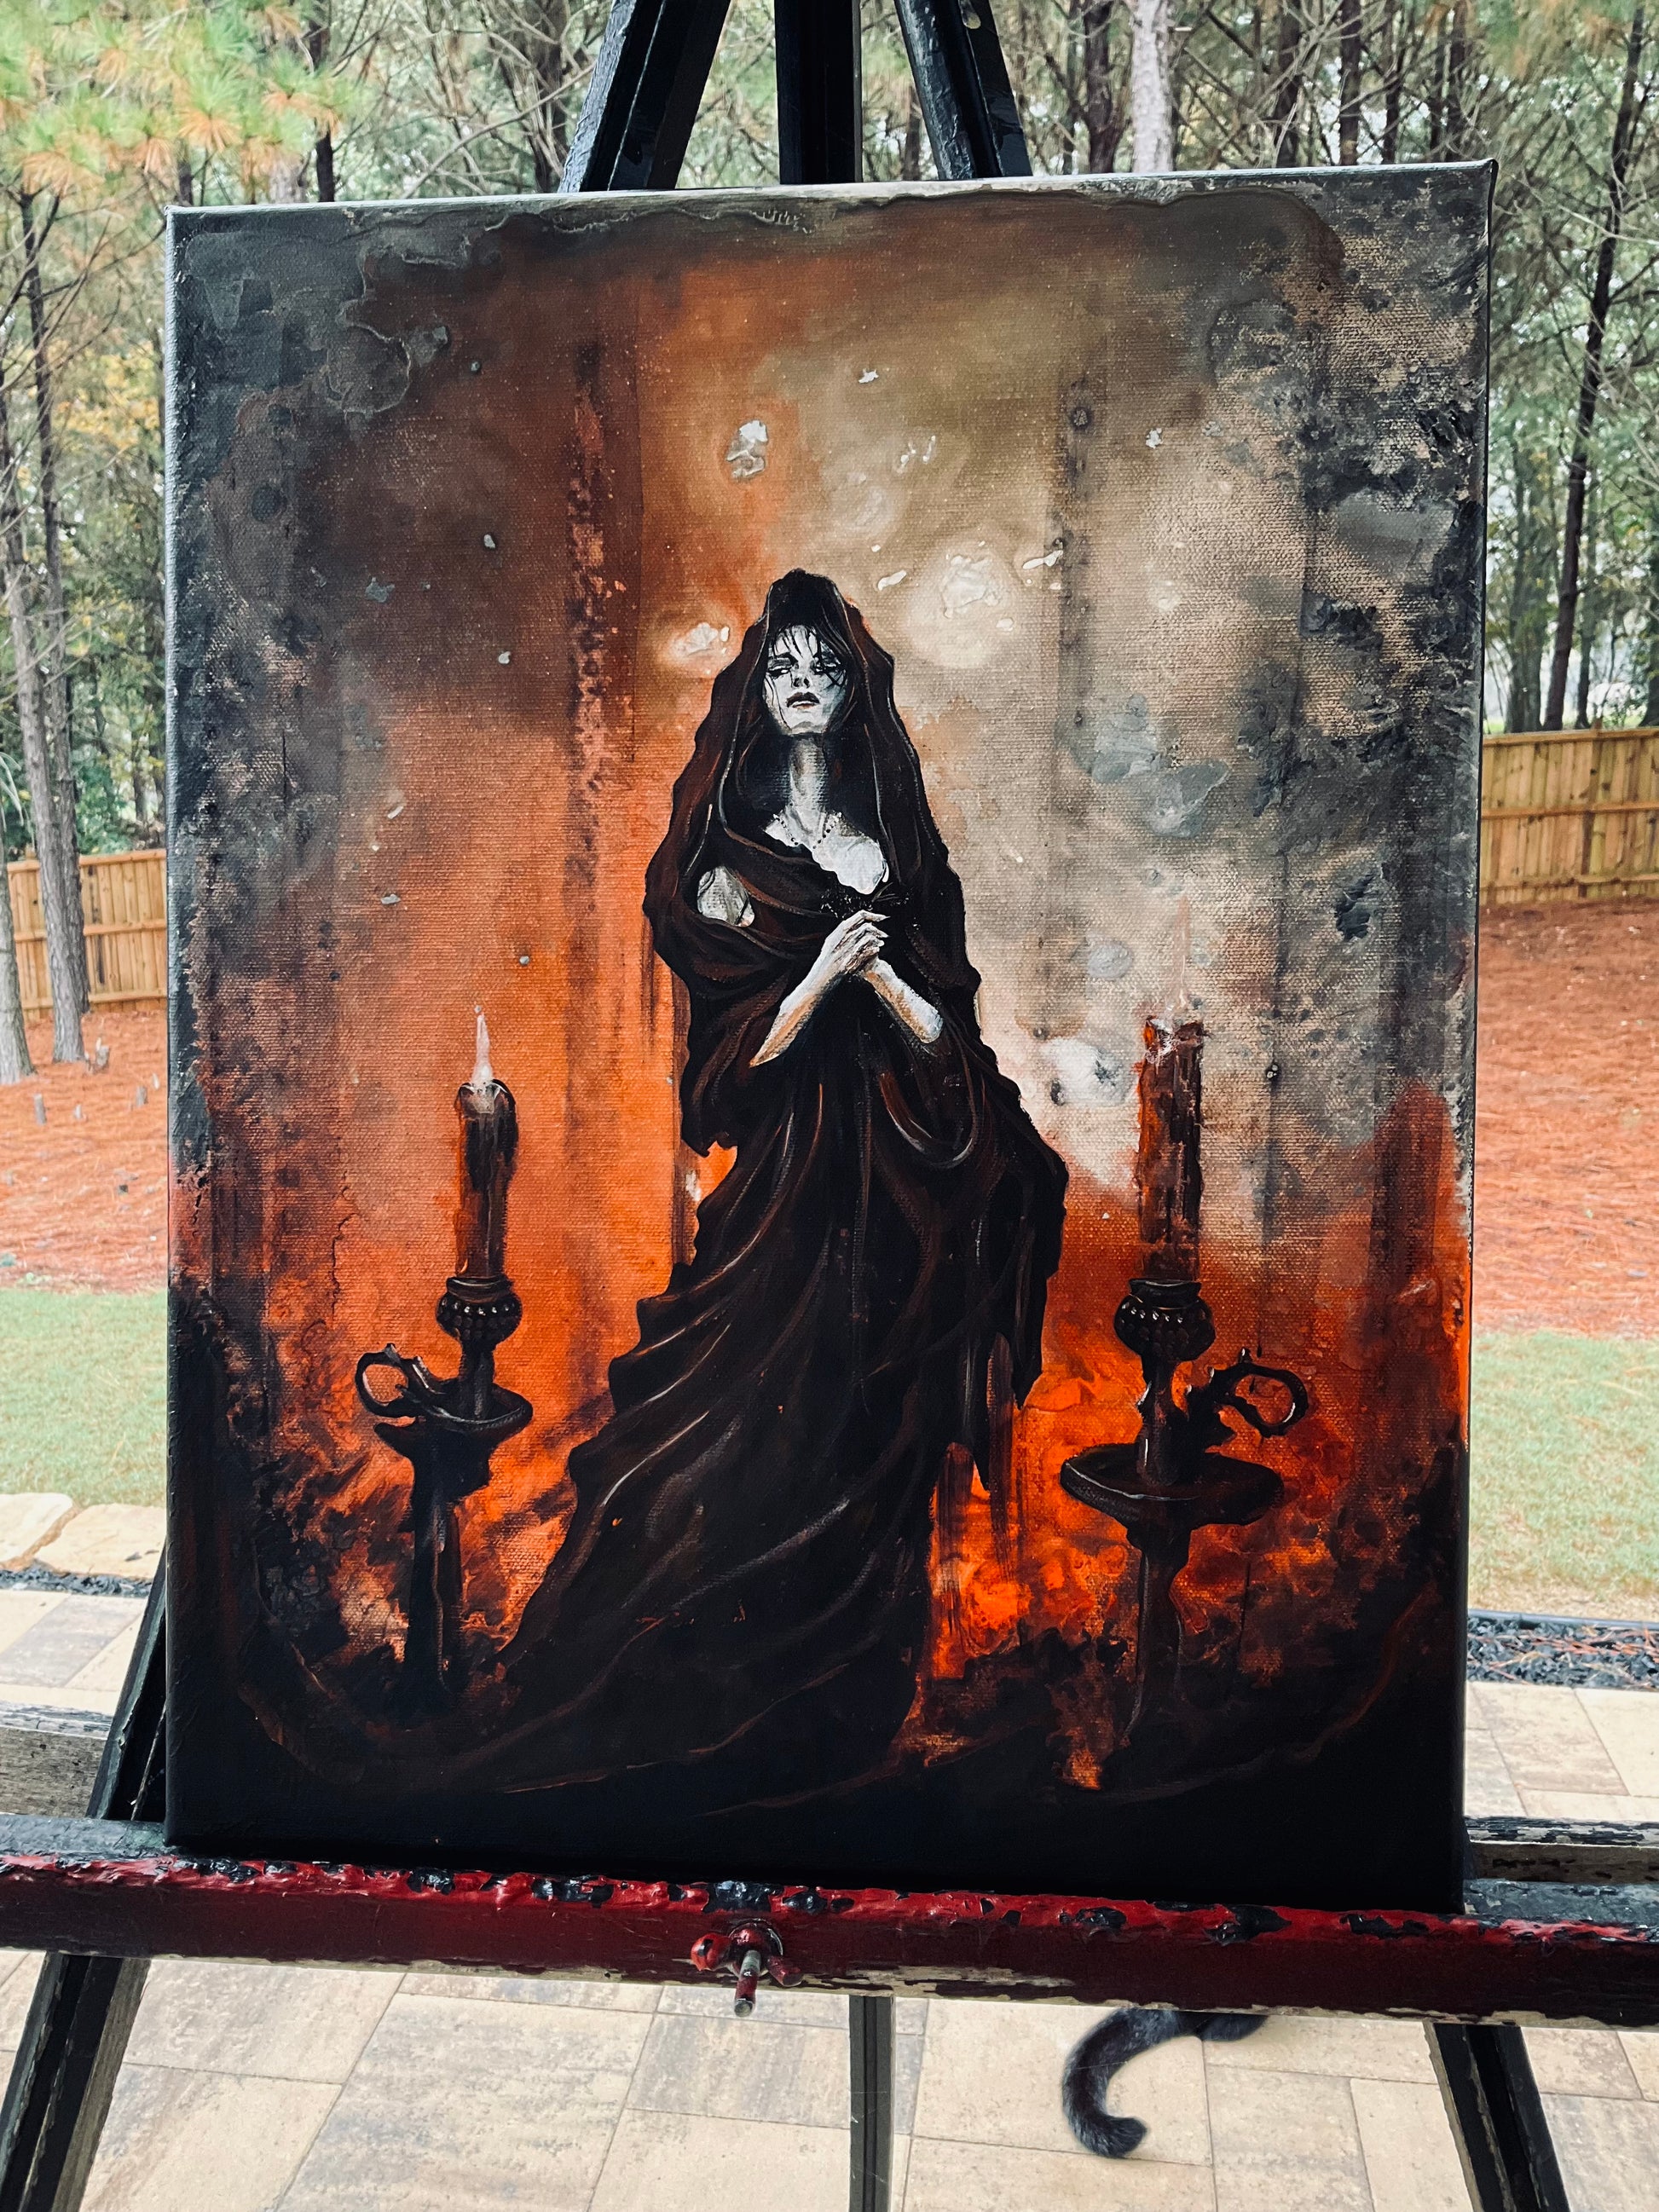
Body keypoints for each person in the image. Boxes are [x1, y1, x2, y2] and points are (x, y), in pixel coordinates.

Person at [481, 569, 1067, 1801]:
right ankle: (678, 1694)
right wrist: (814, 983)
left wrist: (880, 978)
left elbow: (945, 1039)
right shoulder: (726, 866)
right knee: (718, 1434)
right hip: (785, 1204)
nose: (803, 685)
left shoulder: (896, 853)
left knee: (864, 1439)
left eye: (824, 667)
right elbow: (725, 1086)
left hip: (896, 1198)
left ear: (854, 692)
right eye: (783, 667)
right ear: (757, 691)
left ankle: (838, 1718)